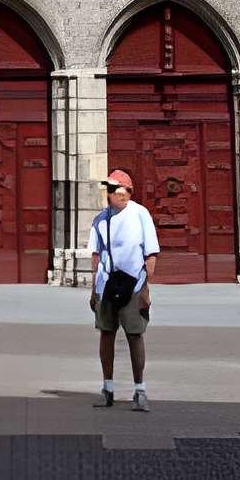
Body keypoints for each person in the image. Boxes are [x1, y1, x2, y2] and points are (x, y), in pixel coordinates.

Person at [88, 167, 159, 412]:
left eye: (122, 189)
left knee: (134, 335)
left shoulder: (141, 214)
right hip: (106, 284)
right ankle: (107, 387)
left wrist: (145, 289)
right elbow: (96, 255)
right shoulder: (101, 219)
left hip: (133, 284)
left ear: (129, 191)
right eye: (113, 190)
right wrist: (93, 290)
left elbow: (150, 255)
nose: (118, 194)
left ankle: (139, 390)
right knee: (106, 333)